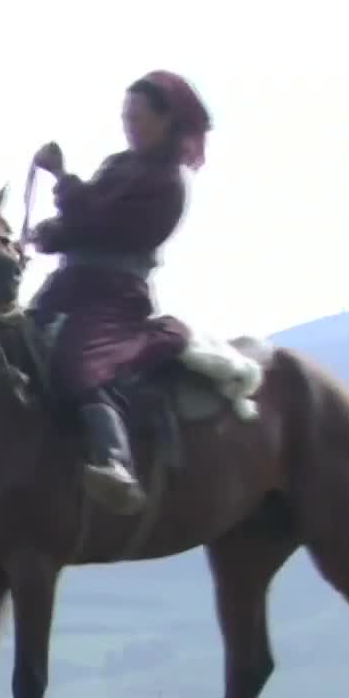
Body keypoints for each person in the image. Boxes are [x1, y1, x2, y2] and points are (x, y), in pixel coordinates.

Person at [24, 69, 213, 513]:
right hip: (68, 286)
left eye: (139, 116)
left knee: (81, 362)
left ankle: (116, 462)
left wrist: (61, 177)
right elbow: (81, 223)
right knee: (17, 343)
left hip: (115, 296)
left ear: (167, 120)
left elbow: (101, 223)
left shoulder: (166, 183)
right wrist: (47, 235)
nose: (129, 124)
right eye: (125, 115)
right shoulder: (119, 165)